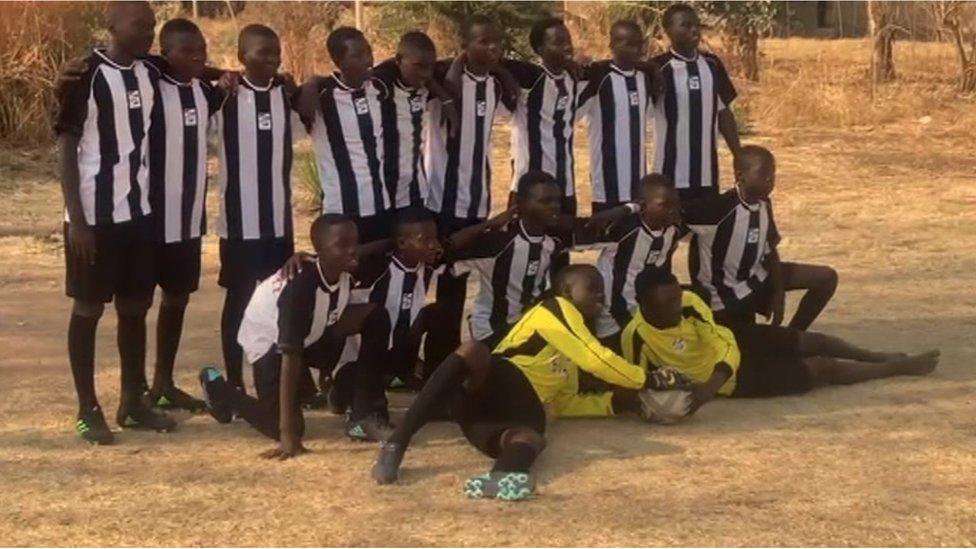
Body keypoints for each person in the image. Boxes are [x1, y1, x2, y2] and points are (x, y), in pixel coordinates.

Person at [371, 265, 687, 500]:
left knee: (530, 437)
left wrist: (617, 404)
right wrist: (646, 378)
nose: (600, 297)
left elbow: (566, 401)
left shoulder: (574, 344)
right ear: (565, 292)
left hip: (506, 413)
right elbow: (595, 358)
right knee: (474, 351)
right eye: (592, 288)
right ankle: (398, 442)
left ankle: (504, 476)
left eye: (603, 290)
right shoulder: (553, 310)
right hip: (498, 384)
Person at [56, 1, 175, 444]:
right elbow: (67, 147)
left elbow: (191, 64)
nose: (147, 31)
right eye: (139, 24)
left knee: (134, 308)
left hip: (137, 216)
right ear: (111, 25)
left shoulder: (149, 70)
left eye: (152, 25)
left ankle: (132, 400)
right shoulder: (83, 75)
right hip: (94, 219)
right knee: (88, 310)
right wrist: (78, 221)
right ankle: (87, 408)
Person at [199, 215, 394, 454]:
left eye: (355, 242)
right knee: (282, 424)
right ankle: (220, 389)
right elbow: (290, 353)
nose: (353, 250)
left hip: (312, 332)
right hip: (271, 344)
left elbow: (390, 246)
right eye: (342, 244)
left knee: (376, 317)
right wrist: (288, 436)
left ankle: (362, 417)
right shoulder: (299, 287)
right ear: (320, 251)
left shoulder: (346, 263)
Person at [621, 268, 940, 408]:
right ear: (645, 305)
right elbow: (639, 379)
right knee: (821, 368)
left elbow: (723, 341)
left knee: (809, 340)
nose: (678, 306)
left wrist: (711, 385)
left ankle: (875, 355)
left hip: (733, 349)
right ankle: (899, 368)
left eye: (678, 297)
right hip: (737, 382)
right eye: (668, 303)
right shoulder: (635, 337)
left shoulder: (690, 304)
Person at [423, 15, 520, 371]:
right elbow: (409, 67)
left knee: (458, 283)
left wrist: (506, 73)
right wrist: (455, 70)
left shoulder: (494, 83)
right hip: (440, 200)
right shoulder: (443, 78)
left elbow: (514, 91)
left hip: (476, 198)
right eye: (482, 42)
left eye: (497, 42)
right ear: (465, 44)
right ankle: (423, 360)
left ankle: (447, 361)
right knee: (431, 281)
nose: (492, 48)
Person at [452, 170, 635, 350]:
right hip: (493, 330)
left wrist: (633, 207)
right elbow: (444, 251)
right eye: (545, 201)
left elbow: (598, 225)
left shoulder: (556, 237)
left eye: (557, 201)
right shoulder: (497, 242)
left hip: (532, 323)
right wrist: (489, 224)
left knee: (582, 285)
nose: (554, 207)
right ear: (520, 204)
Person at [141, 18, 219, 411]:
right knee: (135, 305)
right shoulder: (149, 85)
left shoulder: (206, 91)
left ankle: (164, 381)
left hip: (187, 219)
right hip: (146, 219)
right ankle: (135, 388)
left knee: (176, 300)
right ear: (165, 53)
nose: (197, 57)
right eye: (186, 51)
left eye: (201, 49)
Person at [214, 24, 297, 394]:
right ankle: (234, 381)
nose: (272, 59)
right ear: (241, 56)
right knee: (239, 301)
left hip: (279, 222)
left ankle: (274, 380)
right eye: (262, 52)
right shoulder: (226, 95)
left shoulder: (285, 93)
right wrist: (216, 77)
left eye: (275, 51)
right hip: (239, 223)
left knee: (279, 300)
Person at [684, 145, 839, 330]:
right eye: (763, 173)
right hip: (726, 298)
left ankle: (794, 333)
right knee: (749, 349)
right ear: (741, 176)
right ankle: (786, 343)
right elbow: (675, 218)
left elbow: (770, 249)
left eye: (773, 173)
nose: (770, 179)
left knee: (826, 277)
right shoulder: (717, 210)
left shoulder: (764, 204)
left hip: (757, 279)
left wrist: (778, 292)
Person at [651, 3, 741, 202]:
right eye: (685, 25)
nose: (694, 30)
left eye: (696, 25)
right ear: (668, 31)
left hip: (706, 174)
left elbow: (724, 113)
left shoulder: (712, 65)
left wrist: (738, 155)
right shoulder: (658, 68)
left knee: (705, 229)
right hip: (670, 173)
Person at [578, 173, 684, 341]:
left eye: (675, 205)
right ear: (643, 205)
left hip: (646, 312)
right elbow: (589, 225)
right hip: (613, 316)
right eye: (665, 205)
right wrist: (628, 208)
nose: (672, 210)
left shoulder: (673, 231)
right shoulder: (623, 230)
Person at [504, 17, 584, 217]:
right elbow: (493, 60)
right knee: (523, 243)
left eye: (568, 41)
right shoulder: (532, 77)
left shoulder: (573, 77)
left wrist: (649, 67)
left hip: (564, 183)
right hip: (530, 182)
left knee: (561, 245)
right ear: (540, 49)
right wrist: (505, 77)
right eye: (558, 42)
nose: (567, 47)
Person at [370, 32, 458, 212]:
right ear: (398, 60)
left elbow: (460, 61)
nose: (426, 74)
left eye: (430, 68)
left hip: (415, 188)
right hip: (382, 188)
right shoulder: (381, 85)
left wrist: (445, 99)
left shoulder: (424, 86)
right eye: (418, 66)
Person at [577, 20, 656, 212]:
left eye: (639, 44)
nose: (635, 49)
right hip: (606, 180)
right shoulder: (598, 77)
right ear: (612, 45)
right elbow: (573, 113)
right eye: (627, 44)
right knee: (608, 237)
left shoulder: (645, 79)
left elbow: (649, 115)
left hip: (637, 179)